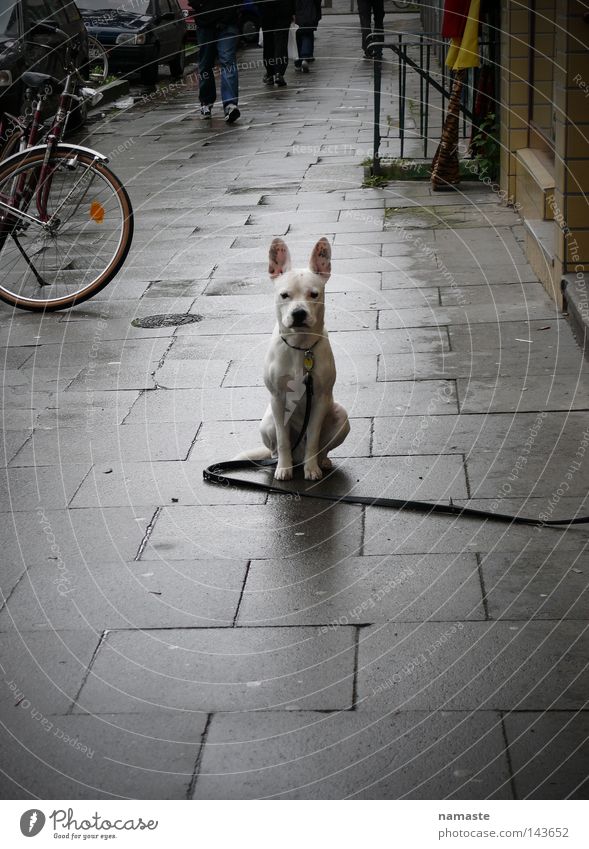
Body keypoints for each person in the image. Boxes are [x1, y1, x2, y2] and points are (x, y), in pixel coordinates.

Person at [189, 0, 241, 122]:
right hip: (206, 23)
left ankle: (230, 104)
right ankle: (206, 102)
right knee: (206, 63)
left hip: (228, 22)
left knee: (227, 59)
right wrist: (199, 6)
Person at [259, 0, 295, 87]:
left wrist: (260, 7)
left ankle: (270, 73)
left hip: (267, 10)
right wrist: (292, 10)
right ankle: (279, 72)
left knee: (268, 43)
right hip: (283, 10)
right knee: (281, 41)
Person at [294, 0, 321, 72]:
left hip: (296, 13)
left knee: (297, 37)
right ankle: (305, 58)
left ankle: (298, 61)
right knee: (307, 35)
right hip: (310, 12)